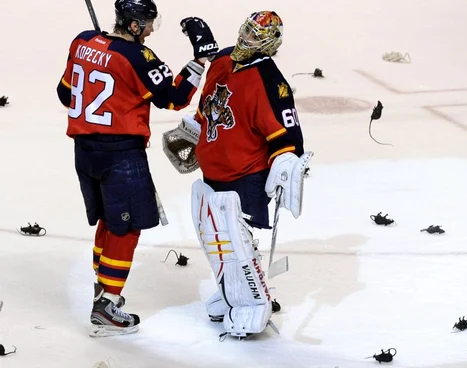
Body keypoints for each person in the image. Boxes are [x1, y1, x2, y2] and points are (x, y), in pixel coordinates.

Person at [56, 0, 219, 337]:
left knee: (109, 221)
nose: (149, 31)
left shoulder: (82, 41)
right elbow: (174, 97)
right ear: (132, 26)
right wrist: (200, 60)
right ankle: (107, 304)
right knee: (126, 228)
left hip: (84, 153)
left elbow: (64, 93)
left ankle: (102, 289)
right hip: (120, 155)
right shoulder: (138, 58)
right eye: (147, 25)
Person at [162, 10, 313, 338]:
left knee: (233, 237)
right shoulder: (222, 61)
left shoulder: (270, 82)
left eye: (255, 35)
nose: (246, 37)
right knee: (213, 235)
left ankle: (253, 302)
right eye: (246, 29)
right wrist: (194, 132)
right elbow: (206, 110)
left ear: (269, 44)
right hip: (214, 167)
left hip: (246, 173)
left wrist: (287, 162)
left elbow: (287, 133)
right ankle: (233, 290)